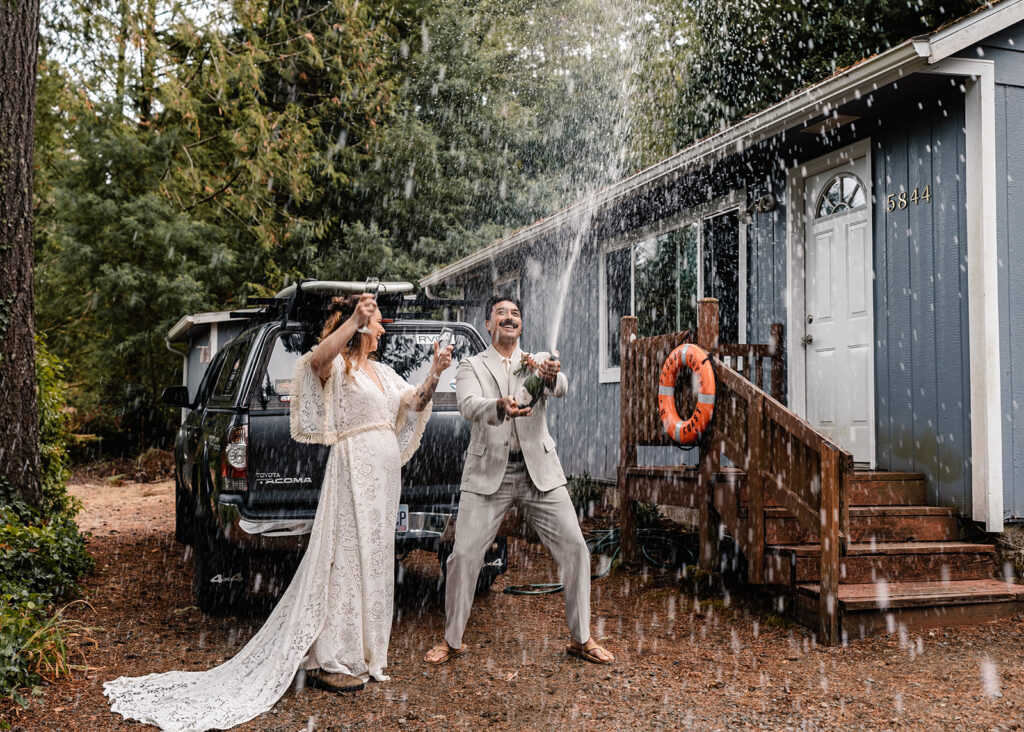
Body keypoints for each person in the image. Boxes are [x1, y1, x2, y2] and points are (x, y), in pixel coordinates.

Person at [104, 292, 453, 731]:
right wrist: (353, 320)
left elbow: (414, 403)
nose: (382, 328)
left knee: (374, 561)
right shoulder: (340, 366)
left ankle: (362, 651)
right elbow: (315, 363)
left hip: (383, 479)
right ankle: (333, 657)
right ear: (360, 325)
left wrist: (436, 374)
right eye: (377, 321)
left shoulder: (383, 373)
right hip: (352, 469)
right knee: (344, 558)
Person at [424, 296, 614, 666]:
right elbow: (467, 404)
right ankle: (452, 640)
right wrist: (498, 406)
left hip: (537, 471)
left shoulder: (539, 362)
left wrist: (552, 375)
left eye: (515, 314)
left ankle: (582, 638)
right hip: (488, 472)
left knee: (576, 547)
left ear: (521, 326)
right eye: (501, 313)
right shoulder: (471, 365)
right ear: (489, 324)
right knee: (463, 555)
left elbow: (561, 387)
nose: (509, 318)